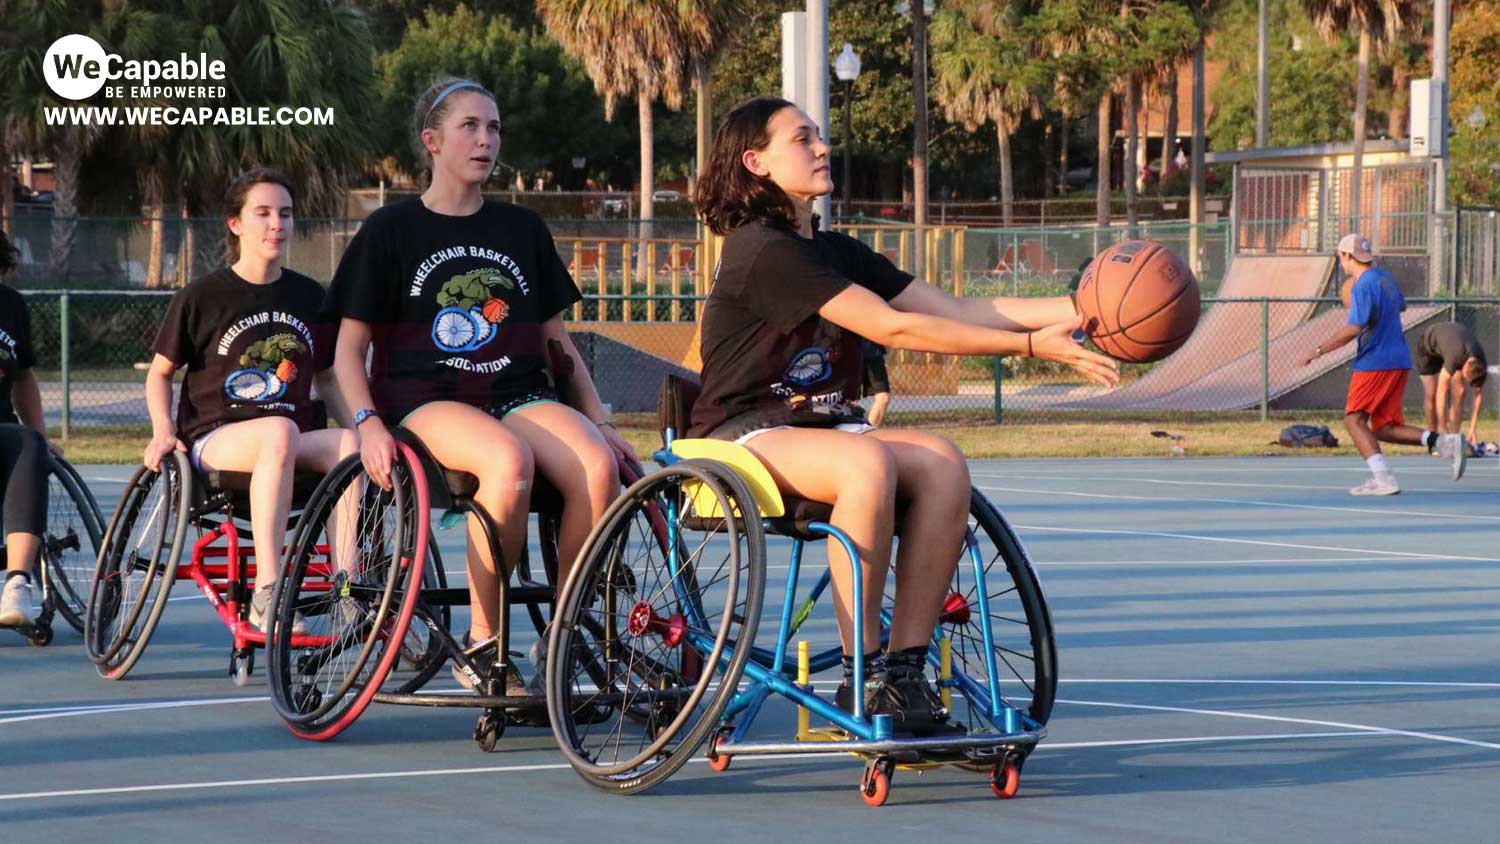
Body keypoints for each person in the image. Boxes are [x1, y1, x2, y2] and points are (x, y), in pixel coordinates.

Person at [690, 96, 1118, 734]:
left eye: (818, 136)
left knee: (944, 459)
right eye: (802, 138)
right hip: (739, 435)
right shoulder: (762, 250)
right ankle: (860, 675)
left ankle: (903, 670)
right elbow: (895, 326)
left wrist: (1086, 309)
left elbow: (956, 310)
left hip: (825, 430)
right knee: (865, 460)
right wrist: (1031, 346)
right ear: (757, 162)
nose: (821, 147)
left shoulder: (836, 250)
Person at [325, 77, 635, 697]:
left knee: (597, 468)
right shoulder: (391, 230)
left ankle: (564, 635)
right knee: (505, 458)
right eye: (470, 126)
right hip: (427, 400)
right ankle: (484, 642)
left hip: (519, 393)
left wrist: (599, 419)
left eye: (494, 128)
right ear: (432, 141)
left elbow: (559, 345)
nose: (486, 140)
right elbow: (346, 354)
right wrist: (368, 426)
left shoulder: (522, 229)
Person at [144, 167, 356, 632]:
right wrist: (162, 429)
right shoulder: (203, 295)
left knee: (351, 448)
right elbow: (160, 375)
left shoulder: (308, 295)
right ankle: (269, 590)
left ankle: (349, 586)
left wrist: (363, 427)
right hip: (217, 439)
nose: (276, 224)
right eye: (262, 213)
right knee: (279, 432)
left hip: (285, 438)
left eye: (285, 213)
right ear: (235, 223)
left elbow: (326, 378)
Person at [1301, 233, 1465, 495]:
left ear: (1346, 256)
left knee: (1353, 421)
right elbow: (1400, 306)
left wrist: (1317, 350)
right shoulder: (1384, 278)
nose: (1340, 263)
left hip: (1375, 362)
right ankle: (1445, 443)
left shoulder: (1363, 285)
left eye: (1340, 258)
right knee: (1385, 428)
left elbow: (1354, 327)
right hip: (1398, 359)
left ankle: (1383, 479)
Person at [0, 228, 58, 628]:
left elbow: (22, 378)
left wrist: (41, 437)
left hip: (2, 429)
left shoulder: (10, 305)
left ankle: (17, 582)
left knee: (28, 443)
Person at [1415, 321, 1488, 449]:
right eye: (1466, 376)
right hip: (1428, 347)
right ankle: (1435, 439)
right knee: (1431, 392)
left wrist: (1472, 428)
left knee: (1459, 390)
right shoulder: (1456, 357)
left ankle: (1454, 438)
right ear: (1464, 367)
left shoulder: (1480, 362)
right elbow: (1441, 391)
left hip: (1451, 344)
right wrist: (1442, 426)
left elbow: (1478, 394)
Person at [860, 338, 891, 427]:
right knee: (848, 402)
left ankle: (866, 435)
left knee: (883, 399)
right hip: (847, 351)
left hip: (872, 351)